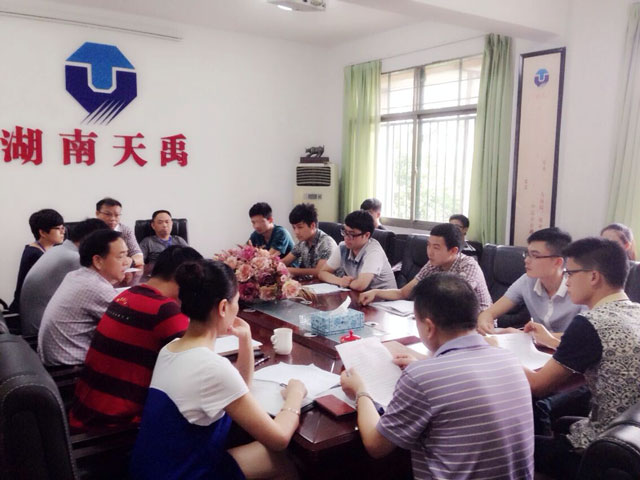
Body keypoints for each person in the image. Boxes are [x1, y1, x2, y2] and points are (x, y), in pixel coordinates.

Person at [340, 273, 534, 479]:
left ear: (429, 327)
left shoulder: (422, 377)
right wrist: (425, 367)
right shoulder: (509, 359)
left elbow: (375, 446)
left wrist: (361, 391)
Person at [130, 260, 306, 480]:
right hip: (184, 472)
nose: (237, 308)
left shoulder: (171, 349)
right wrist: (295, 395)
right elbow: (279, 439)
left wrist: (245, 339)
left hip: (154, 468)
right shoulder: (211, 368)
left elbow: (238, 388)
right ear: (223, 307)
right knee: (280, 458)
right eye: (236, 302)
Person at [526, 237, 640, 479]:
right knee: (560, 421)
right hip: (630, 436)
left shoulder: (590, 323)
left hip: (601, 448)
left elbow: (537, 386)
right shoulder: (636, 311)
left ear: (594, 277)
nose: (566, 281)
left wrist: (498, 352)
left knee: (513, 442)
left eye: (570, 273)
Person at [69, 246, 203, 432]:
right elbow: (197, 366)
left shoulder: (127, 294)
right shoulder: (166, 310)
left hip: (85, 411)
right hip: (115, 425)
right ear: (184, 278)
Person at [38, 230, 130, 366]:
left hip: (53, 362)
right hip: (71, 370)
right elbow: (132, 322)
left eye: (127, 255)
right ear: (98, 261)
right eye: (121, 256)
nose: (127, 262)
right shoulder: (95, 287)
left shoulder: (75, 276)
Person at [477, 227, 584, 340]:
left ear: (557, 262)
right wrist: (484, 321)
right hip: (536, 347)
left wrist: (526, 336)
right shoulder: (527, 281)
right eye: (527, 254)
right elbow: (489, 313)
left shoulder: (581, 287)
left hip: (571, 349)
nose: (526, 260)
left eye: (535, 256)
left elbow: (583, 335)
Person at [359, 223, 491, 310]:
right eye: (428, 245)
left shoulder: (468, 265)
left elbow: (454, 303)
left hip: (478, 324)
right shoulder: (433, 264)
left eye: (436, 247)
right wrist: (375, 292)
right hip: (447, 320)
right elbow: (403, 293)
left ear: (453, 250)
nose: (429, 252)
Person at [20, 218, 109, 336]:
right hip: (40, 331)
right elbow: (98, 289)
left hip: (33, 324)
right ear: (91, 240)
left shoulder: (58, 249)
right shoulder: (74, 258)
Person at [319, 210, 396, 291]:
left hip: (383, 298)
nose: (346, 238)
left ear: (366, 235)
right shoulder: (343, 247)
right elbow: (322, 273)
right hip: (360, 295)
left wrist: (348, 283)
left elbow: (360, 285)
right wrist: (340, 281)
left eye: (352, 234)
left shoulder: (374, 252)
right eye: (345, 232)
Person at [10, 208, 65, 312]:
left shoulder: (45, 249)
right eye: (58, 228)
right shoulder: (35, 254)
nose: (63, 232)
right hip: (29, 311)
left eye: (63, 227)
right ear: (43, 232)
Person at [281, 203, 338, 278]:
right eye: (294, 228)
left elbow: (320, 272)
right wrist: (270, 265)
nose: (296, 232)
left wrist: (291, 270)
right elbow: (285, 261)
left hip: (328, 284)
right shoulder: (302, 242)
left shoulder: (327, 243)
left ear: (312, 225)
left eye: (300, 227)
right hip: (309, 283)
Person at [96, 197, 144, 267]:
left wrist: (130, 261)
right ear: (97, 213)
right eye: (108, 214)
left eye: (117, 215)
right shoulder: (89, 230)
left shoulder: (126, 231)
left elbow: (138, 256)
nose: (113, 219)